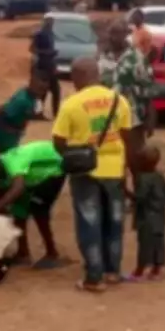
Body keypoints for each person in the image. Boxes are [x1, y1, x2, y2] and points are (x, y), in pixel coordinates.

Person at [52, 56, 132, 293]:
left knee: (90, 222)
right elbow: (126, 137)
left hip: (85, 172)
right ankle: (112, 271)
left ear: (78, 76)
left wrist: (74, 155)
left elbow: (58, 141)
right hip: (114, 169)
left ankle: (94, 278)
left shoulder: (71, 104)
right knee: (114, 221)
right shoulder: (120, 101)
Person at [0, 141, 66, 269]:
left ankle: (52, 253)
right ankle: (23, 254)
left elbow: (18, 188)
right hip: (32, 178)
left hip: (53, 171)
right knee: (19, 211)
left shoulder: (13, 162)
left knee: (39, 210)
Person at [98, 19, 154, 158]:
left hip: (133, 117)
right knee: (112, 157)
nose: (112, 37)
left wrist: (150, 117)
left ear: (125, 35)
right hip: (107, 117)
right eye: (110, 33)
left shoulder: (136, 58)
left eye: (116, 33)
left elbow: (148, 88)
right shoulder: (103, 58)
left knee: (135, 157)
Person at [126, 144, 165, 281]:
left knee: (145, 244)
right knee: (158, 243)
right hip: (160, 216)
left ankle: (139, 271)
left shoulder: (143, 178)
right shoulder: (159, 176)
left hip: (146, 218)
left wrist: (125, 191)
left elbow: (140, 198)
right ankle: (156, 270)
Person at [0, 71, 50, 154]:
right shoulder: (23, 100)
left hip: (11, 133)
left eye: (44, 90)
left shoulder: (30, 97)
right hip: (5, 134)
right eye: (40, 88)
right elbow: (4, 112)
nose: (42, 92)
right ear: (32, 83)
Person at [30, 16, 60, 118]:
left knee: (56, 91)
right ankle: (38, 113)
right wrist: (48, 53)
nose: (51, 25)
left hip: (50, 66)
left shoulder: (51, 34)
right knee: (41, 92)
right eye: (50, 23)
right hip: (41, 67)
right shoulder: (39, 34)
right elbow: (32, 49)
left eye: (52, 23)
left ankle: (56, 114)